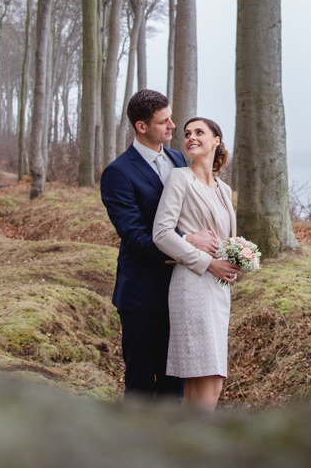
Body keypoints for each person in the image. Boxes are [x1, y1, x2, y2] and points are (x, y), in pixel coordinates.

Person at [100, 90, 218, 400]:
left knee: (174, 383)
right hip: (141, 295)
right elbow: (135, 238)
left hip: (182, 290)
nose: (172, 126)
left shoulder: (178, 159)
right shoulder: (118, 174)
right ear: (141, 126)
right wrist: (186, 241)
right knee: (140, 383)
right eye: (164, 121)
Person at [152, 116, 238, 411]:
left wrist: (237, 260)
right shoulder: (179, 178)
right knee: (207, 377)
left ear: (216, 140)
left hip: (218, 290)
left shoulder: (224, 190)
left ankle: (185, 445)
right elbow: (161, 233)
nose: (191, 137)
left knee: (208, 379)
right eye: (187, 133)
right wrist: (207, 262)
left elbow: (226, 239)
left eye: (199, 132)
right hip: (191, 283)